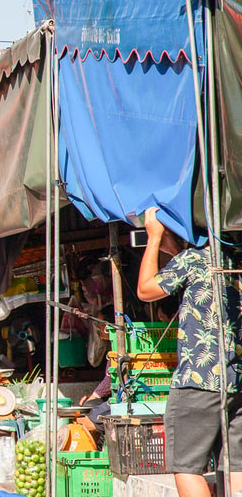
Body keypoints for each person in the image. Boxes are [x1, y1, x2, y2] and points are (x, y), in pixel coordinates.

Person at [136, 207, 242, 497]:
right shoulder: (235, 261)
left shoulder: (194, 259)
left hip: (199, 380)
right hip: (238, 382)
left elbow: (145, 290)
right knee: (236, 468)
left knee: (187, 466)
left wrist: (154, 238)